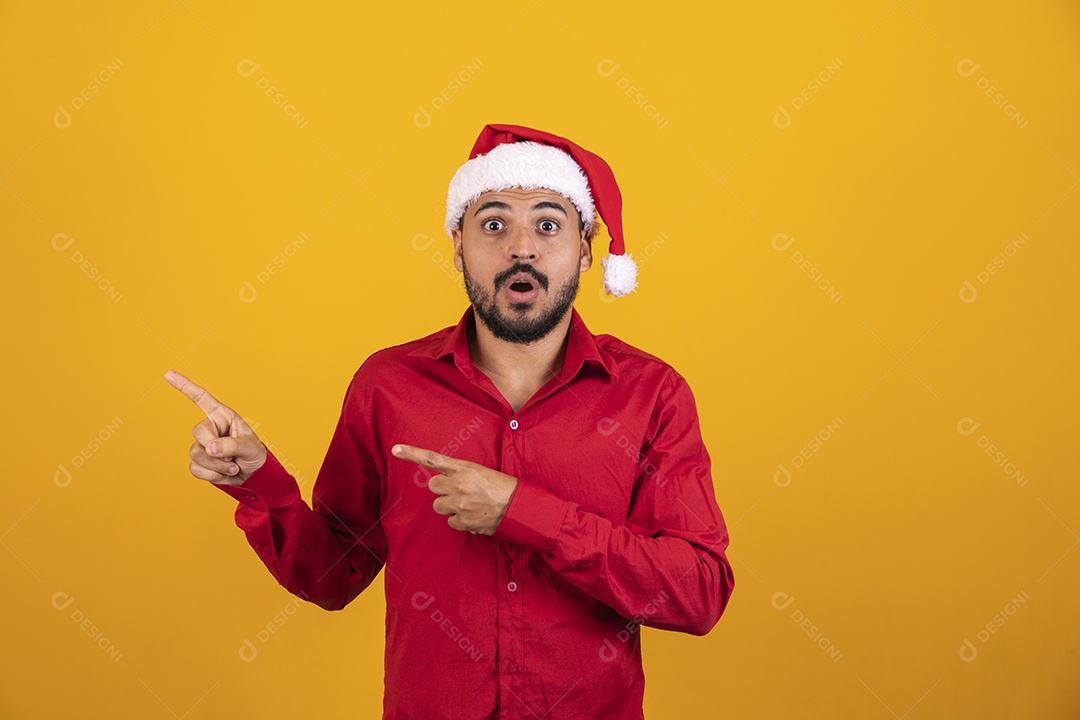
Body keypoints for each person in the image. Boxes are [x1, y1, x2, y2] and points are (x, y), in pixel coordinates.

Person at [167, 123, 734, 719]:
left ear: (587, 249)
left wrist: (527, 514)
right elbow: (332, 576)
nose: (521, 248)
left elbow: (698, 593)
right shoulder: (388, 386)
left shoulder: (650, 394)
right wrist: (259, 482)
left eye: (548, 224)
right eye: (493, 225)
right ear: (458, 246)